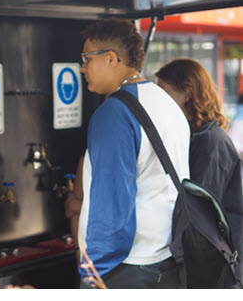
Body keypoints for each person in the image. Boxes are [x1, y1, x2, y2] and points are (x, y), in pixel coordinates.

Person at [77, 18, 190, 288]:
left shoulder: (114, 113)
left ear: (111, 58)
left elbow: (112, 202)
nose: (82, 68)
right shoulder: (165, 102)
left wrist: (93, 274)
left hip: (124, 270)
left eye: (87, 58)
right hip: (167, 261)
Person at [155, 58, 243, 283]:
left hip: (216, 265)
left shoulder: (211, 142)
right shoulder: (193, 136)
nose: (158, 99)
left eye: (164, 91)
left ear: (186, 93)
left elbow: (198, 212)